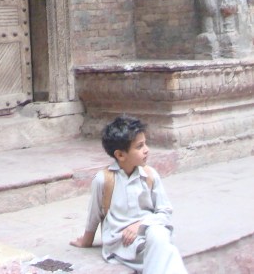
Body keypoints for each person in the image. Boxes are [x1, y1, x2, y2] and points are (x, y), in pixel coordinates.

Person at [70, 115, 188, 273]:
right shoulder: (104, 180)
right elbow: (94, 214)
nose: (147, 150)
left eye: (145, 144)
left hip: (149, 233)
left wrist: (140, 225)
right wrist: (87, 240)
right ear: (120, 155)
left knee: (160, 236)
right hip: (121, 242)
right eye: (139, 147)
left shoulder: (150, 175)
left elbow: (164, 211)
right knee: (166, 251)